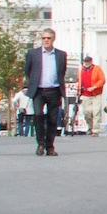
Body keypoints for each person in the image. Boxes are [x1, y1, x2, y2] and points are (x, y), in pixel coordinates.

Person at [24, 28, 68, 157]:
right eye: (44, 38)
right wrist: (32, 84)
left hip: (54, 90)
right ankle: (40, 144)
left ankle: (50, 146)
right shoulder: (33, 53)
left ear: (53, 39)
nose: (46, 40)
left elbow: (62, 72)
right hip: (38, 90)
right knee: (38, 116)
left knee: (53, 120)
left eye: (49, 38)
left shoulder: (61, 55)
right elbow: (28, 71)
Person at [78, 57, 107, 136]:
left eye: (88, 61)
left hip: (96, 94)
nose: (86, 63)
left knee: (96, 112)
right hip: (86, 94)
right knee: (86, 112)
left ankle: (95, 130)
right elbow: (80, 81)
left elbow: (102, 80)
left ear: (91, 61)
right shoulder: (82, 70)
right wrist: (79, 91)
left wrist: (95, 87)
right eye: (85, 61)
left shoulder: (97, 69)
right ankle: (90, 127)